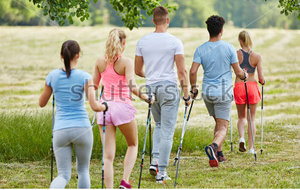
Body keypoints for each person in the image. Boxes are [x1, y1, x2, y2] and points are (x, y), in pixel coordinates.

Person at [39, 40, 107, 188]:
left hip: (61, 130)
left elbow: (41, 103)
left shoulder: (52, 76)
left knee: (63, 175)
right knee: (83, 171)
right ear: (78, 55)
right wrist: (104, 107)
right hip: (82, 128)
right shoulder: (85, 77)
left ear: (61, 56)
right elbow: (94, 106)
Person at [135, 6, 192, 183]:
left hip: (151, 89)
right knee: (166, 130)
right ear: (167, 20)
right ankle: (162, 172)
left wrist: (152, 76)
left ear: (153, 21)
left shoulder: (142, 41)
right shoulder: (175, 42)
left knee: (159, 125)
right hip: (168, 88)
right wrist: (186, 95)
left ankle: (155, 161)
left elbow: (137, 70)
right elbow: (182, 71)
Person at [93, 28, 154, 189]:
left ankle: (109, 188)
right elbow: (132, 87)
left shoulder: (100, 61)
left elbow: (93, 86)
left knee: (108, 156)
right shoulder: (125, 62)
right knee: (132, 144)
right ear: (124, 43)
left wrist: (94, 103)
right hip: (122, 108)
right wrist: (147, 98)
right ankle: (125, 181)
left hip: (104, 109)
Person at [189, 15, 247, 167]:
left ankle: (219, 154)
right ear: (221, 30)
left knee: (218, 122)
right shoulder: (228, 48)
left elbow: (193, 71)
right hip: (223, 92)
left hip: (207, 93)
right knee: (223, 126)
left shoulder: (200, 49)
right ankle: (213, 147)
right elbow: (238, 72)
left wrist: (193, 88)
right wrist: (245, 74)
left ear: (208, 30)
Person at [234, 30, 265, 154]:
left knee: (241, 117)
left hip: (240, 86)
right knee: (251, 118)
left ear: (240, 41)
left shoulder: (236, 54)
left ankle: (241, 138)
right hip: (252, 86)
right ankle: (252, 148)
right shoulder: (257, 57)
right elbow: (261, 77)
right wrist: (263, 81)